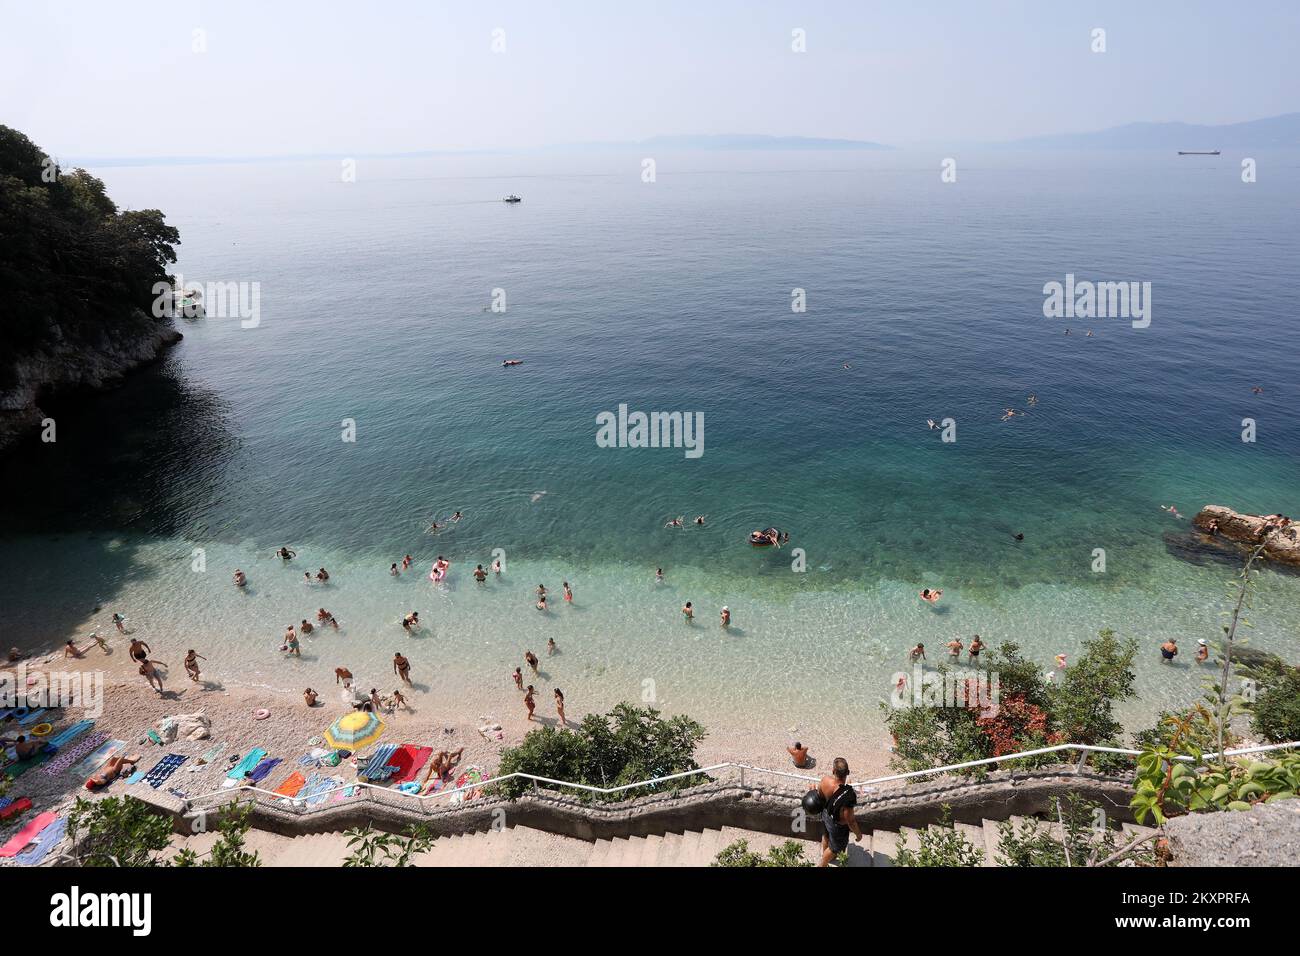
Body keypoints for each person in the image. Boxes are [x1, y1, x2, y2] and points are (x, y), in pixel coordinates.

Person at [816, 758, 864, 867]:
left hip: (825, 814)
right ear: (848, 772)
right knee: (835, 848)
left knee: (826, 835)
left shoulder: (825, 780)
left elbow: (819, 795)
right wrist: (858, 834)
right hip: (837, 825)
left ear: (833, 771)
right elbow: (850, 820)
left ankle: (825, 854)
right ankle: (822, 864)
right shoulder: (848, 795)